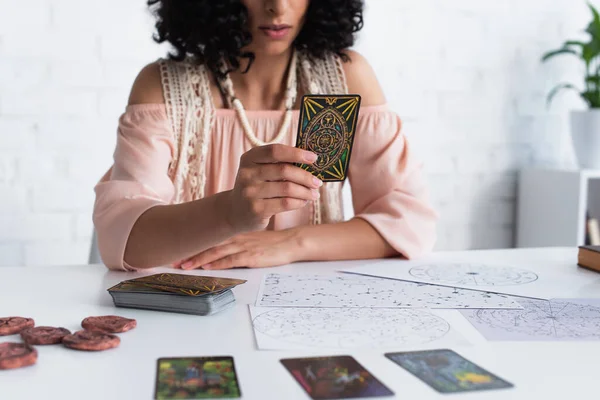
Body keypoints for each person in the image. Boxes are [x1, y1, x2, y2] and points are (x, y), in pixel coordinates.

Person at [93, 0, 438, 272]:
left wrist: (291, 243)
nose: (278, 7)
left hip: (305, 312)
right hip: (188, 317)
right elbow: (119, 239)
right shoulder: (161, 89)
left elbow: (409, 223)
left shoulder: (344, 80)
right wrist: (230, 213)